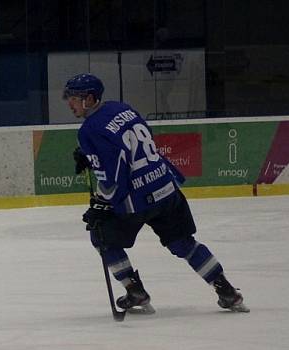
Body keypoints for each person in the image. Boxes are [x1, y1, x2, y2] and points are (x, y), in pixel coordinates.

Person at [62, 73, 248, 313]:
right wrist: (91, 155)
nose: (70, 103)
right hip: (165, 186)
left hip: (135, 200)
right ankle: (227, 291)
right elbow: (129, 145)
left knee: (102, 238)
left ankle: (134, 290)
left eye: (74, 98)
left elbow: (114, 173)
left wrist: (101, 204)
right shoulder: (122, 108)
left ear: (89, 98)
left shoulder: (89, 129)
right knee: (183, 243)